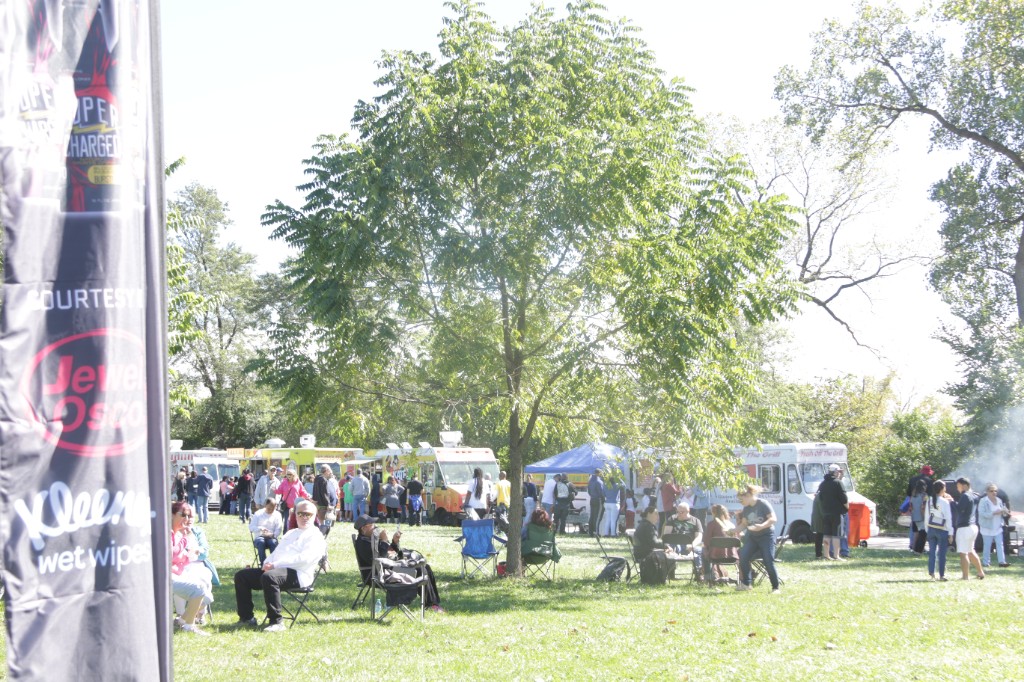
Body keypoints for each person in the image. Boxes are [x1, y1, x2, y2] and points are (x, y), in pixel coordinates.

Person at [234, 499, 328, 632]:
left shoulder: (315, 536)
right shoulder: (291, 533)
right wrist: (267, 563)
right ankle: (247, 618)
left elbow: (304, 559)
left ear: (315, 516)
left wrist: (275, 565)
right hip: (277, 570)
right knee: (242, 576)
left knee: (269, 577)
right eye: (300, 514)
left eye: (308, 514)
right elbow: (277, 553)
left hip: (299, 574)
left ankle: (276, 622)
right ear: (295, 515)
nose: (304, 517)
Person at [353, 514, 443, 611]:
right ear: (363, 529)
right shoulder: (362, 544)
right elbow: (380, 559)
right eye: (372, 525)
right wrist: (383, 540)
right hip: (377, 574)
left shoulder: (370, 539)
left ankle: (434, 602)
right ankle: (431, 604)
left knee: (426, 567)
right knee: (420, 569)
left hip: (386, 569)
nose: (376, 527)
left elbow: (387, 553)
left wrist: (394, 542)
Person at [170, 502, 212, 635]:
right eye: (183, 515)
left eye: (189, 516)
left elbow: (181, 556)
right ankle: (189, 625)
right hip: (163, 575)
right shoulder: (168, 532)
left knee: (207, 595)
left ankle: (182, 620)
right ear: (171, 514)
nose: (187, 520)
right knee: (198, 589)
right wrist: (184, 538)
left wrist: (189, 556)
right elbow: (171, 554)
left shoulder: (179, 533)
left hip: (179, 571)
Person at [735, 484, 780, 593]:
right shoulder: (746, 508)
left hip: (766, 536)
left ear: (749, 495)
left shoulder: (763, 504)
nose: (741, 502)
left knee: (768, 561)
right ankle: (746, 584)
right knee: (743, 556)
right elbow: (744, 524)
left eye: (741, 500)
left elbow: (773, 519)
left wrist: (762, 526)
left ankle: (775, 588)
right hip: (753, 537)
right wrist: (734, 530)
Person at [954, 477, 985, 580]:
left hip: (964, 527)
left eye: (958, 486)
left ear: (964, 485)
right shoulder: (975, 495)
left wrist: (951, 502)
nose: (957, 489)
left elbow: (959, 509)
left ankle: (965, 576)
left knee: (963, 553)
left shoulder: (965, 495)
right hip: (973, 527)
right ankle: (980, 573)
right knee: (971, 551)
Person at [924, 479, 954, 580]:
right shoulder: (945, 502)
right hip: (942, 529)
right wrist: (951, 533)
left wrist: (927, 529)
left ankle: (932, 573)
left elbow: (926, 516)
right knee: (942, 553)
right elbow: (948, 518)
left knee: (932, 552)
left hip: (931, 528)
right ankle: (941, 575)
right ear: (942, 489)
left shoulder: (929, 500)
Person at [818, 463, 849, 561]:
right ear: (835, 472)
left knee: (827, 534)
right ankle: (836, 555)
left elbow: (821, 498)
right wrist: (847, 507)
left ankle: (826, 555)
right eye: (838, 471)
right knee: (837, 534)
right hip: (837, 513)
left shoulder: (822, 484)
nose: (839, 473)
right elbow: (844, 498)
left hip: (826, 513)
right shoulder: (838, 483)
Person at [666, 502, 704, 577]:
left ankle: (698, 573)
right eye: (677, 512)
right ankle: (670, 572)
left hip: (690, 544)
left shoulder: (696, 521)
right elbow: (666, 535)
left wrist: (692, 545)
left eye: (682, 512)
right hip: (675, 544)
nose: (679, 514)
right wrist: (667, 546)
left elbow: (699, 537)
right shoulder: (672, 519)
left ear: (688, 511)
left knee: (699, 549)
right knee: (670, 549)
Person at [978, 483, 1011, 569]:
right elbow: (982, 514)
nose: (994, 493)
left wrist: (1005, 512)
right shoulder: (983, 501)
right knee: (987, 545)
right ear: (987, 492)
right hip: (987, 527)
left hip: (998, 527)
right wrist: (994, 513)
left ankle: (1002, 562)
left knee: (1000, 544)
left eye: (995, 491)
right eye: (991, 491)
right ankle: (986, 562)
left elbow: (1003, 509)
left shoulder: (999, 500)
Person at [704, 504, 737, 583]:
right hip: (732, 556)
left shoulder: (711, 524)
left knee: (703, 551)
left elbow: (707, 542)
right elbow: (737, 541)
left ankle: (707, 576)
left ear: (713, 513)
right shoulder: (731, 524)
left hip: (715, 556)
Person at [249, 498, 284, 567]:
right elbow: (251, 527)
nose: (270, 510)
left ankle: (273, 564)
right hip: (259, 536)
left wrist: (273, 535)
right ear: (265, 506)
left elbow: (279, 528)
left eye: (272, 509)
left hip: (272, 537)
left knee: (273, 543)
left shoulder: (277, 514)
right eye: (268, 508)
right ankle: (263, 564)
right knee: (261, 542)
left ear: (275, 507)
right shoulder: (258, 514)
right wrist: (260, 528)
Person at [907, 465, 935, 549]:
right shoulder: (929, 481)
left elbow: (908, 493)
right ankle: (921, 547)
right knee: (924, 530)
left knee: (914, 529)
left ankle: (912, 545)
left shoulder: (912, 479)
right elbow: (931, 496)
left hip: (914, 509)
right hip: (923, 509)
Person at [587, 469, 605, 537]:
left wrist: (592, 495)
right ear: (599, 473)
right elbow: (601, 492)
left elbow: (588, 491)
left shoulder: (590, 481)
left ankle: (590, 532)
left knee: (592, 516)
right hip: (598, 500)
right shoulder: (599, 481)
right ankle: (596, 532)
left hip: (592, 499)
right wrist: (603, 498)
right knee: (597, 517)